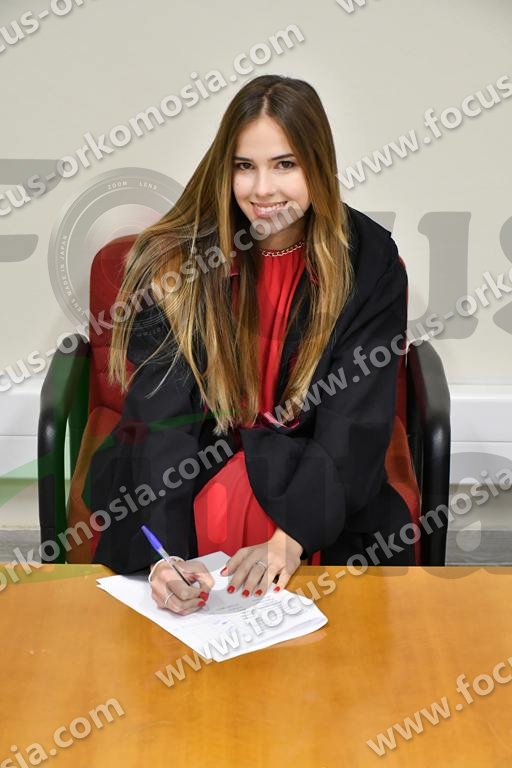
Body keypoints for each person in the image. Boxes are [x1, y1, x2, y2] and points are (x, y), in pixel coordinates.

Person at [83, 74, 416, 618]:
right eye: (245, 166)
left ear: (318, 166)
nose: (263, 189)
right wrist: (167, 557)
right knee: (176, 594)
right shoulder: (179, 259)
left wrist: (290, 538)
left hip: (314, 462)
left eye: (285, 164)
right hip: (196, 454)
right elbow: (162, 417)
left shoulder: (369, 261)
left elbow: (355, 417)